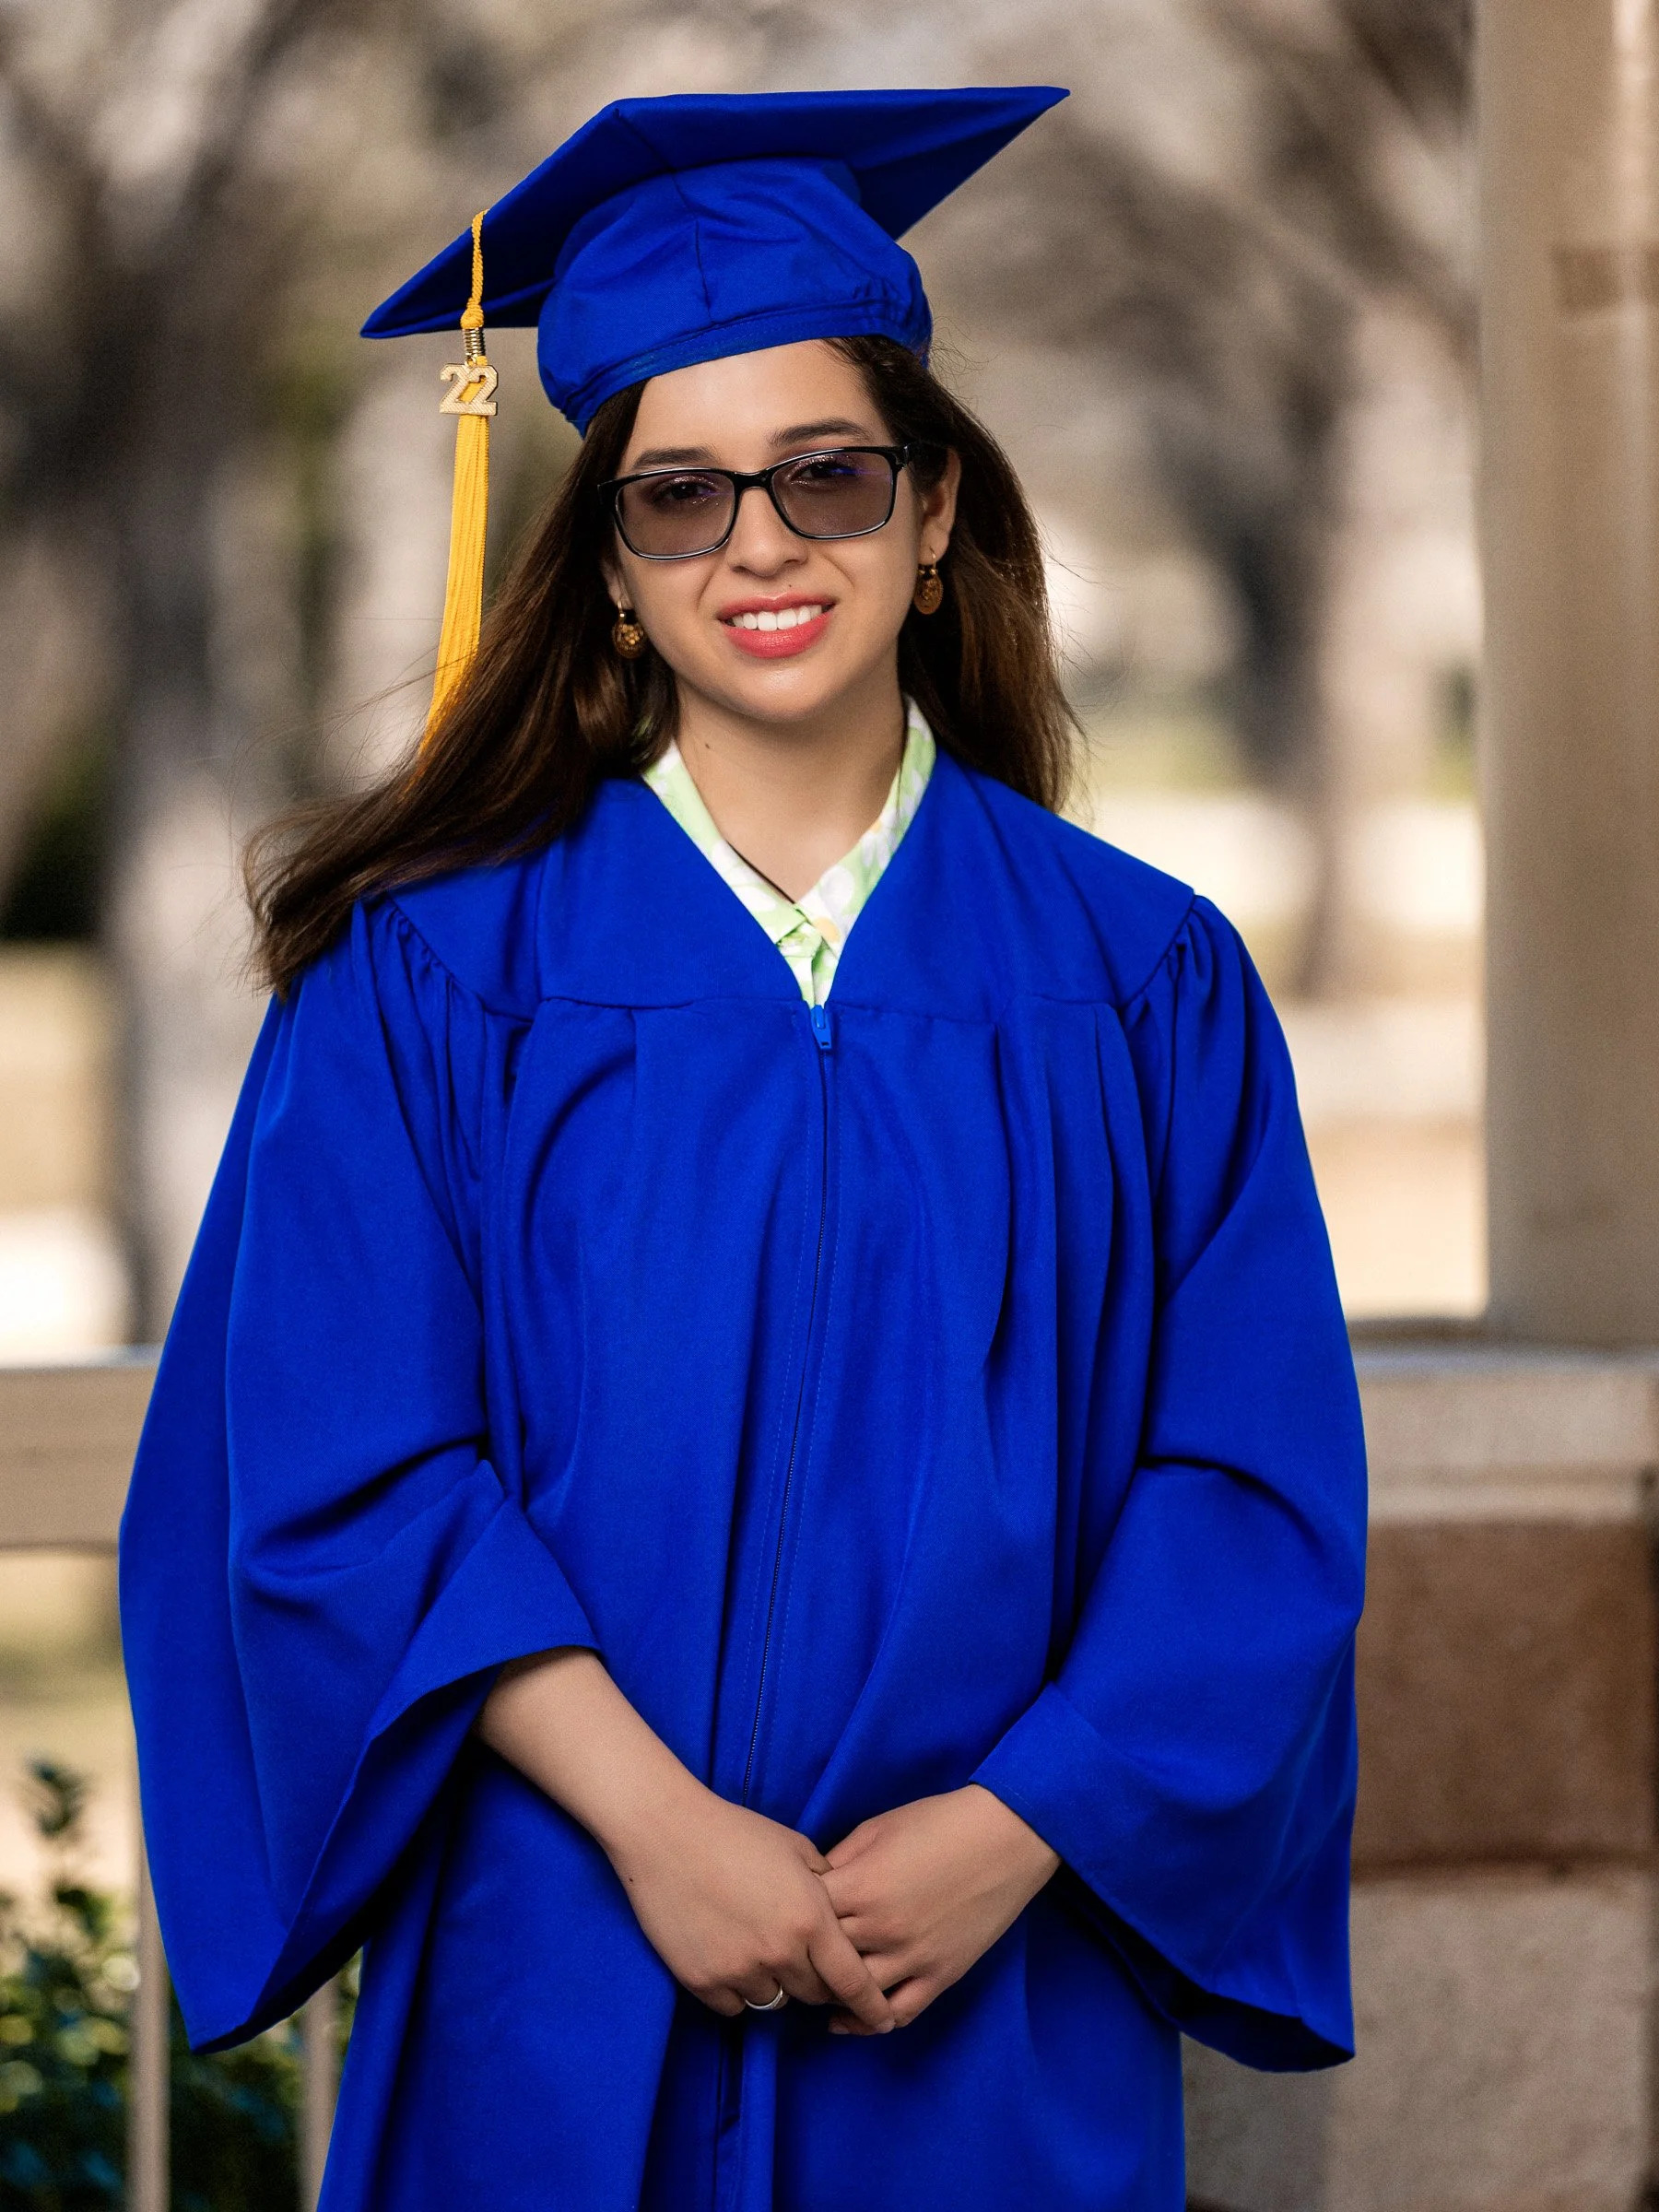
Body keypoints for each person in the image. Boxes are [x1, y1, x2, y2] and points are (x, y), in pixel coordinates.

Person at [119, 86, 1368, 2212]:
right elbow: (337, 1462)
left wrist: (1018, 1829)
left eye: (827, 475)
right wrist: (655, 1828)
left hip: (990, 1978)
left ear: (937, 510)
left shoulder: (1141, 983)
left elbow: (1241, 1483)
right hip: (564, 1944)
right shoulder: (434, 984)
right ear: (606, 570)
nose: (760, 544)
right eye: (679, 499)